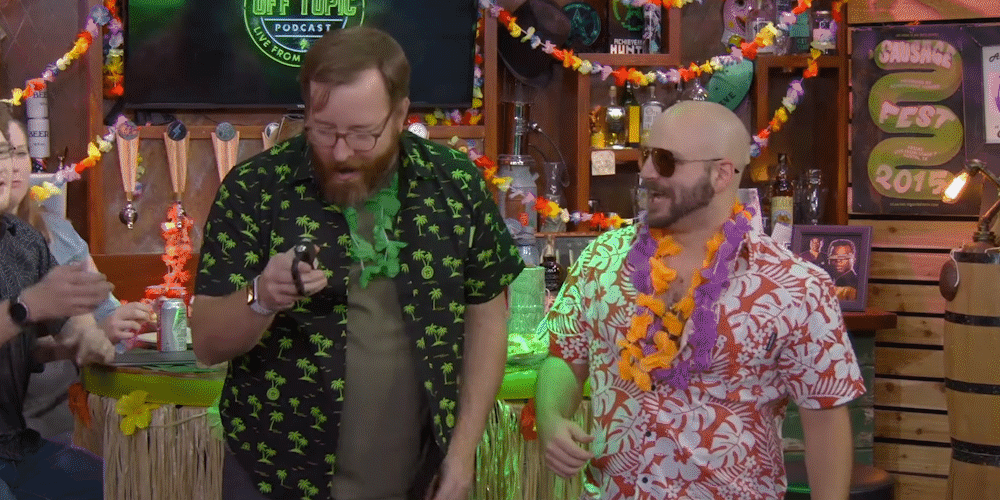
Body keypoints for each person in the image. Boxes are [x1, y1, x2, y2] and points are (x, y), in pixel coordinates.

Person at [189, 26, 524, 500]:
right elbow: (206, 342)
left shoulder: (454, 185)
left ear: (401, 114)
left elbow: (487, 316)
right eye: (324, 131)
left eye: (363, 135)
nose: (341, 152)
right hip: (278, 476)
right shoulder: (257, 189)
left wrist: (463, 451)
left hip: (421, 477)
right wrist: (261, 296)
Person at [534, 101, 865, 500]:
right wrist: (551, 416)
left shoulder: (795, 286)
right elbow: (565, 357)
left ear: (721, 173)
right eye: (645, 156)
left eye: (665, 161)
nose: (646, 172)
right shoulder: (601, 259)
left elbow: (825, 418)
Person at [6, 117, 154, 441]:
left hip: (78, 413)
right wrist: (88, 335)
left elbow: (100, 313)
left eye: (19, 153)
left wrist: (133, 322)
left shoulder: (58, 232)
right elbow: (21, 348)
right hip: (27, 424)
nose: (12, 167)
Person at [0, 104, 117, 499]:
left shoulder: (25, 239)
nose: (6, 167)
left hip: (16, 447)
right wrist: (27, 306)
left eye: (10, 153)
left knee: (117, 486)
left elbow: (70, 319)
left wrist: (88, 338)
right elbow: (36, 305)